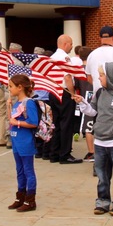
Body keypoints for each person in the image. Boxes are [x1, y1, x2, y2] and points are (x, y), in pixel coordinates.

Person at [75, 62, 113, 216]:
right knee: (102, 176)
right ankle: (103, 201)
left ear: (112, 77)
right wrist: (82, 102)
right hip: (100, 142)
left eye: (102, 75)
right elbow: (92, 111)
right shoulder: (99, 93)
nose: (99, 78)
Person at [7, 73, 40, 212]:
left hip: (25, 141)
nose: (9, 89)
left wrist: (18, 122)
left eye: (11, 86)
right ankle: (20, 196)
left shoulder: (29, 103)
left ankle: (30, 199)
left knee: (28, 170)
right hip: (16, 140)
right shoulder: (16, 103)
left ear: (20, 87)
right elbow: (11, 120)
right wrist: (9, 107)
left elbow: (33, 122)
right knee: (19, 170)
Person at [49, 34, 82, 164]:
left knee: (56, 124)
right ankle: (65, 154)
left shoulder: (51, 57)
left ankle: (54, 153)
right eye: (71, 43)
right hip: (64, 92)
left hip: (53, 92)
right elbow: (68, 77)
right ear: (65, 44)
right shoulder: (65, 58)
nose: (72, 46)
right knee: (66, 124)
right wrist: (73, 93)